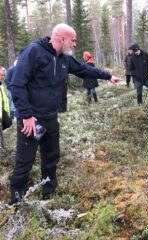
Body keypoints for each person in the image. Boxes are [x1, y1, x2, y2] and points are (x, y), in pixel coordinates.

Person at [8, 23, 120, 205]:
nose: (75, 44)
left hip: (51, 118)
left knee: (51, 157)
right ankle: (16, 201)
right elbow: (16, 84)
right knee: (25, 162)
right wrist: (26, 116)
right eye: (73, 40)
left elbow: (84, 69)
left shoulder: (64, 58)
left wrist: (107, 76)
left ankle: (48, 193)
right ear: (61, 38)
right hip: (32, 119)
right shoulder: (34, 52)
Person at [0, 66, 12, 131]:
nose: (3, 77)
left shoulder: (1, 86)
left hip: (3, 114)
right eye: (1, 75)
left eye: (3, 75)